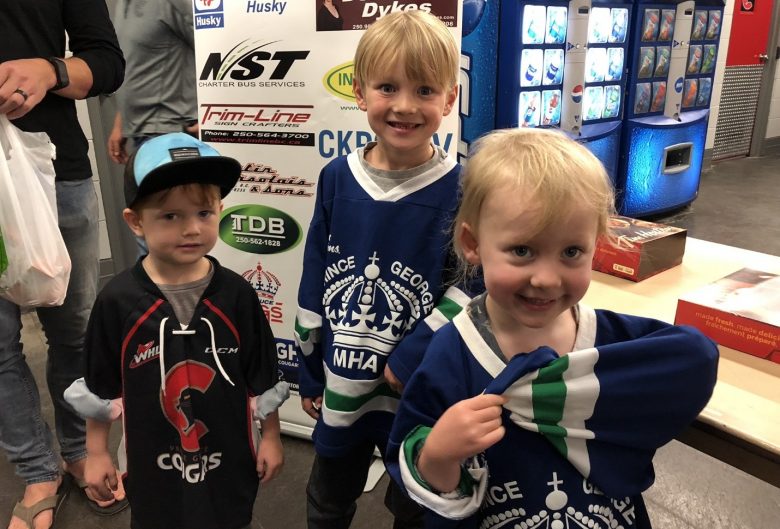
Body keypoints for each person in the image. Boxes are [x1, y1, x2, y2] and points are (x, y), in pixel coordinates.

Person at [385, 128, 720, 528]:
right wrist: (439, 453)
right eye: (522, 251)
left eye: (571, 252)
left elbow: (694, 357)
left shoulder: (611, 343)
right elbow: (416, 469)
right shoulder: (452, 354)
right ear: (473, 244)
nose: (546, 278)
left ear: (597, 245)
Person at [294, 11, 470, 529]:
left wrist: (413, 355)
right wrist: (308, 370)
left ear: (449, 99)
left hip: (419, 387)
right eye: (388, 87)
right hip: (344, 381)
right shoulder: (336, 178)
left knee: (415, 504)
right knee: (329, 495)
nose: (405, 106)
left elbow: (471, 290)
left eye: (424, 90)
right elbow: (314, 277)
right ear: (360, 92)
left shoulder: (463, 189)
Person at [82, 133, 284, 529]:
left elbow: (262, 376)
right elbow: (100, 387)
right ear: (136, 221)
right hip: (151, 463)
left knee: (230, 516)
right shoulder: (117, 301)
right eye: (170, 216)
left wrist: (272, 437)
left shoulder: (238, 295)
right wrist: (96, 452)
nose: (191, 228)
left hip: (230, 456)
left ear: (220, 210)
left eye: (203, 213)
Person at [0, 2, 125, 528]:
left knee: (75, 330)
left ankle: (80, 450)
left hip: (54, 172)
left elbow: (107, 63)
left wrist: (49, 69)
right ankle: (37, 470)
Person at [107, 0, 198, 166]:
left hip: (170, 133)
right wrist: (121, 122)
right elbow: (135, 62)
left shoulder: (173, 3)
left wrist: (213, 114)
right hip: (141, 133)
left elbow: (216, 47)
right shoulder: (123, 4)